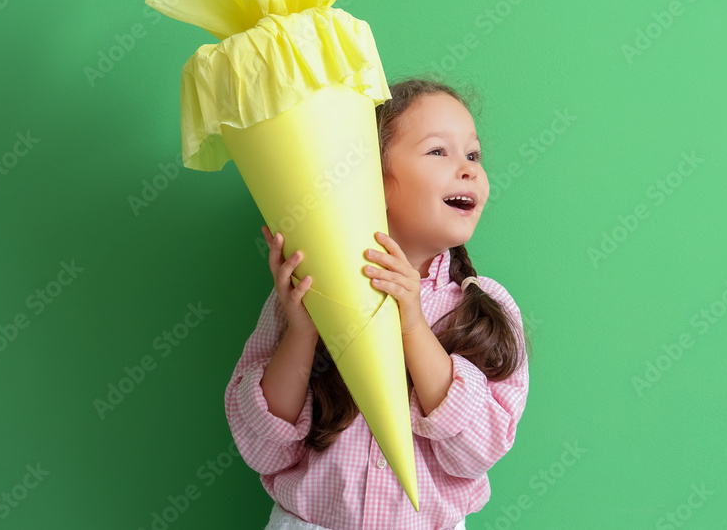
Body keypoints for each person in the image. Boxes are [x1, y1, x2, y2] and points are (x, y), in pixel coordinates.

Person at [225, 77, 533, 530]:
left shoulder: (484, 304)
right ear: (369, 176)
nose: (467, 169)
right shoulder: (304, 291)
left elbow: (478, 452)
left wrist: (412, 324)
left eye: (473, 154)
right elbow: (263, 450)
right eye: (438, 152)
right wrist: (302, 332)